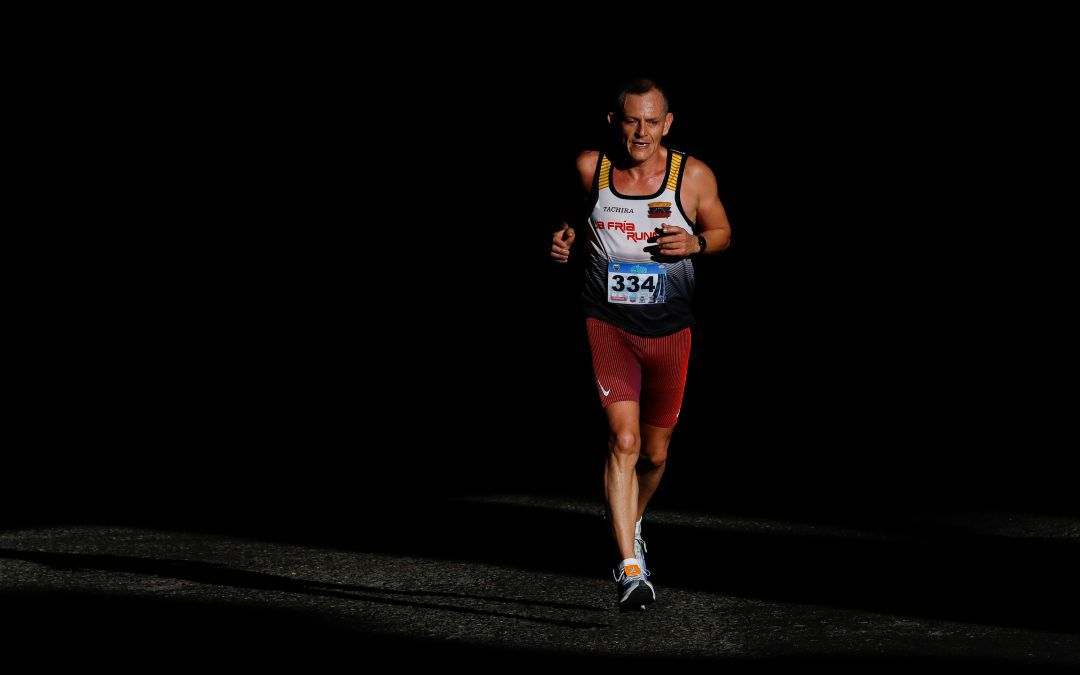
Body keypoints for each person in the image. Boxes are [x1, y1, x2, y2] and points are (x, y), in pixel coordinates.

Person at [550, 78, 732, 612]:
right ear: (614, 122)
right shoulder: (592, 168)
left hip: (671, 330)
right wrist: (563, 238)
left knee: (654, 453)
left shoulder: (691, 175)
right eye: (632, 120)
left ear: (667, 124)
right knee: (623, 443)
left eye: (652, 122)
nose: (642, 132)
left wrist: (696, 242)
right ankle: (631, 565)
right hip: (607, 325)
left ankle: (632, 516)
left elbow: (722, 231)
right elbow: (573, 216)